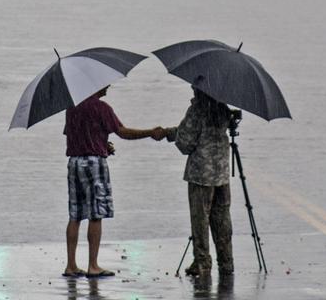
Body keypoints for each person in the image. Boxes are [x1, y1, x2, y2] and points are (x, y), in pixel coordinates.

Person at [62, 86, 165, 278]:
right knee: (96, 214)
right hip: (95, 164)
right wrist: (150, 132)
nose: (109, 86)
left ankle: (71, 265)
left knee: (75, 215)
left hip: (74, 163)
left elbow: (72, 135)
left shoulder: (72, 107)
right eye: (106, 83)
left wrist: (102, 143)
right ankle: (93, 265)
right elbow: (123, 132)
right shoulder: (101, 108)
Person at [165, 87, 234, 277]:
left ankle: (202, 262)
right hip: (221, 173)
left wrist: (171, 135)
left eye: (194, 85)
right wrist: (172, 132)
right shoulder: (223, 107)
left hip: (201, 174)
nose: (191, 88)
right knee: (222, 219)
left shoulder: (197, 109)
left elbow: (185, 144)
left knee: (200, 219)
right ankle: (226, 261)